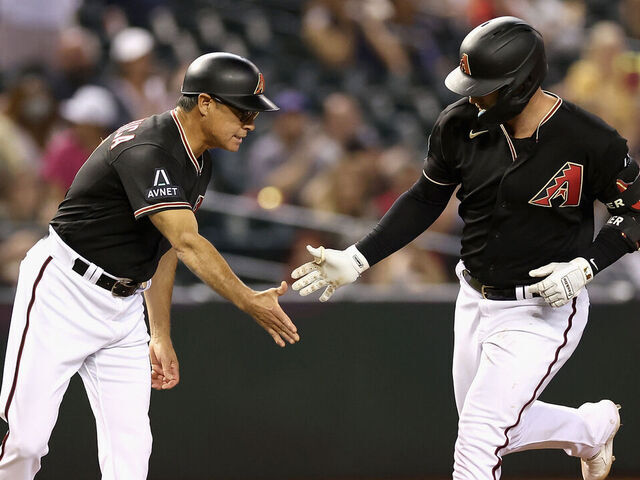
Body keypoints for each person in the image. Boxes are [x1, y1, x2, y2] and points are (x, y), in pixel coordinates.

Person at [292, 17, 640, 480]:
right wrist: (359, 256)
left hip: (542, 307)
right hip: (473, 295)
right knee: (496, 428)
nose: (472, 95)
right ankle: (590, 428)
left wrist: (588, 264)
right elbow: (425, 197)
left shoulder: (588, 139)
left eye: (485, 87)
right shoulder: (459, 123)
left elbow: (632, 211)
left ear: (521, 83)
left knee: (478, 441)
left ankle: (588, 430)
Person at [0, 52, 299, 480]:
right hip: (63, 290)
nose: (250, 124)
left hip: (124, 308)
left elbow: (164, 248)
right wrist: (248, 300)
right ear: (206, 103)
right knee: (22, 445)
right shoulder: (149, 147)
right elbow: (188, 240)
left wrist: (159, 332)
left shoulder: (199, 158)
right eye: (243, 110)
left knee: (131, 456)